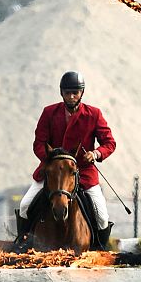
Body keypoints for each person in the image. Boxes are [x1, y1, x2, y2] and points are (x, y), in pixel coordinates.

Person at [15, 71, 116, 250]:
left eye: (75, 93)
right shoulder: (49, 112)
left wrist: (95, 154)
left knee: (102, 216)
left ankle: (101, 249)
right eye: (67, 92)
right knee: (24, 206)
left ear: (81, 93)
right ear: (61, 93)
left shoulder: (94, 114)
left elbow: (109, 143)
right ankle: (21, 244)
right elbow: (39, 143)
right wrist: (50, 159)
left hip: (83, 172)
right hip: (52, 172)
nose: (71, 96)